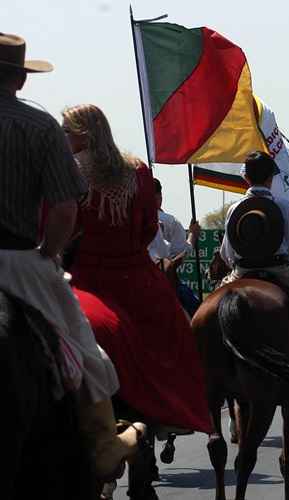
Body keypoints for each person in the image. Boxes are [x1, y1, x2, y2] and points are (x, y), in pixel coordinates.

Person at [0, 33, 144, 481]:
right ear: (20, 80)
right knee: (84, 346)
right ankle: (103, 440)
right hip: (18, 257)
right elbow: (64, 208)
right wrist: (49, 252)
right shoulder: (40, 127)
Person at [61, 103, 211, 434]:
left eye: (66, 130)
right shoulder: (138, 171)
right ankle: (174, 413)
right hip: (140, 276)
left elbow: (65, 226)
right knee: (177, 335)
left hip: (89, 276)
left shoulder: (69, 170)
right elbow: (146, 230)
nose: (62, 136)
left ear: (84, 134)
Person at [219, 151, 289, 338]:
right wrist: (285, 260)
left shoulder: (234, 208)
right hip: (279, 269)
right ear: (271, 178)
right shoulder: (283, 205)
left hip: (242, 271)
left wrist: (238, 263)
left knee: (213, 309)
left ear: (246, 177)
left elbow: (227, 253)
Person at [148, 178, 201, 316]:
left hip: (138, 278)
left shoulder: (131, 219)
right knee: (197, 311)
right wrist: (193, 235)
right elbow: (182, 252)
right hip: (165, 279)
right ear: (159, 197)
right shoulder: (171, 221)